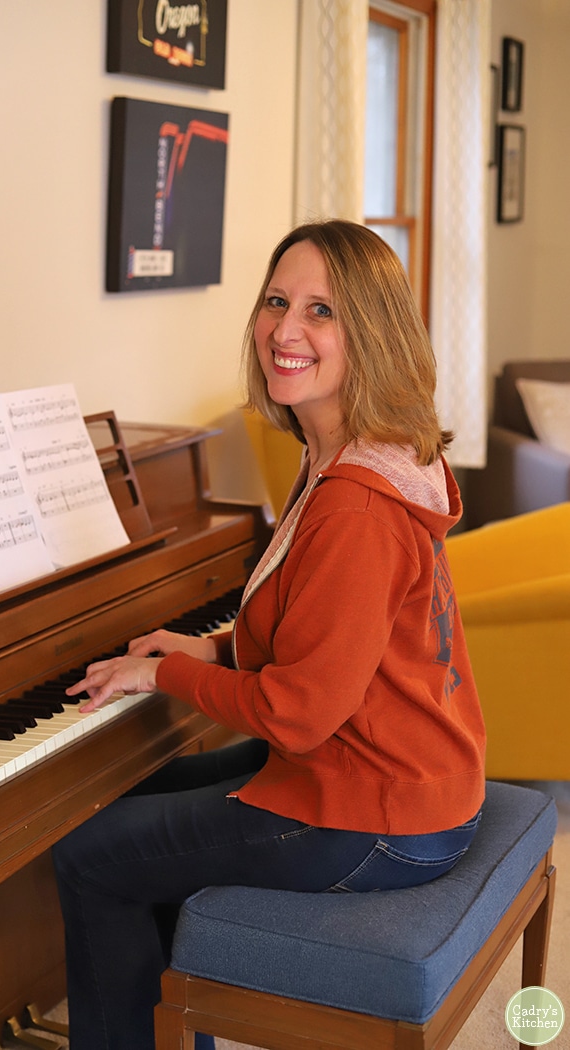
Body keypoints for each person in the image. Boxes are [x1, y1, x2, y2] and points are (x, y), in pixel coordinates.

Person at [52, 219, 486, 1050]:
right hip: (395, 766)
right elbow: (328, 637)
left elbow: (296, 714)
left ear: (372, 334)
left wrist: (162, 677)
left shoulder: (355, 504)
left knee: (89, 857)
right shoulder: (349, 449)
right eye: (277, 301)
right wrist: (209, 650)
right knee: (131, 796)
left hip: (379, 816)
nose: (285, 331)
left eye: (321, 311)